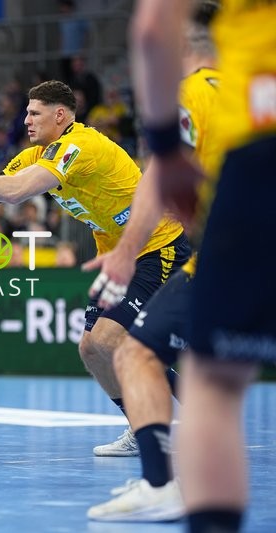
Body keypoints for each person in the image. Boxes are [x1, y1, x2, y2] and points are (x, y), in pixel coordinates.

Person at [0, 81, 190, 455]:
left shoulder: (79, 145)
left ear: (60, 115)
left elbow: (15, 192)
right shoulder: (37, 156)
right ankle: (142, 429)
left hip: (157, 247)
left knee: (108, 339)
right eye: (26, 112)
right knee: (92, 350)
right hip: (118, 258)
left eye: (33, 113)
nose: (25, 120)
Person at [130, 1, 276, 532]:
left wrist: (166, 149)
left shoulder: (199, 85)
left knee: (212, 384)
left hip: (259, 153)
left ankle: (164, 490)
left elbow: (152, 27)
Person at [85, 1, 221, 521]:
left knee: (133, 353)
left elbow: (163, 179)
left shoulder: (190, 95)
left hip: (232, 255)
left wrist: (125, 251)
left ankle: (161, 485)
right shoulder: (253, 89)